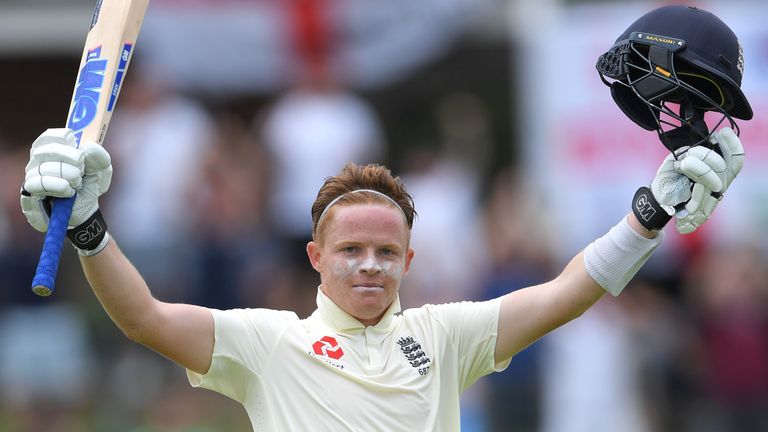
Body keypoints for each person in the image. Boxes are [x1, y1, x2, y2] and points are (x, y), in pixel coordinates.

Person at [17, 5, 750, 431]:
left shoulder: (444, 336)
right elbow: (143, 316)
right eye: (351, 250)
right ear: (314, 257)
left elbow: (567, 292)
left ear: (408, 260)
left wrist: (648, 216)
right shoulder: (266, 343)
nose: (369, 263)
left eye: (386, 251)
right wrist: (86, 225)